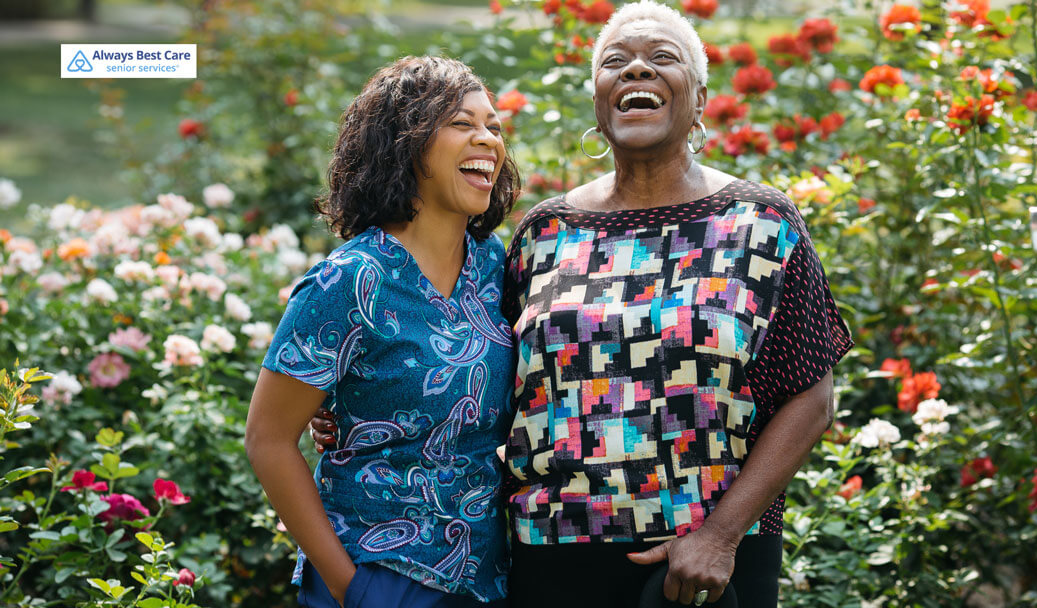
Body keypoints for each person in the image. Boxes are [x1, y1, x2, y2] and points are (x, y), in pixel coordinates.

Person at [313, 2, 852, 606]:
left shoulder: (761, 223)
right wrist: (359, 406)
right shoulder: (545, 233)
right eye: (615, 62)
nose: (637, 71)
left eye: (662, 59)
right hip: (551, 559)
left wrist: (721, 537)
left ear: (698, 98)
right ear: (598, 103)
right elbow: (477, 358)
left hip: (703, 564)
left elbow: (812, 398)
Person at [245, 55, 520, 608]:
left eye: (493, 126)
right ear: (405, 142)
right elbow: (268, 439)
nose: (487, 139)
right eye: (463, 124)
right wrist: (351, 588)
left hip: (487, 578)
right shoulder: (346, 281)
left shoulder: (497, 266)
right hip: (379, 574)